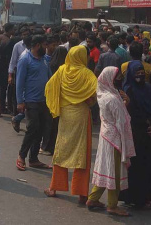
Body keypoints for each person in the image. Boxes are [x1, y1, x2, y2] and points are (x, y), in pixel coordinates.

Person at [43, 46, 97, 202]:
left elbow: (49, 88)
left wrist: (58, 103)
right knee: (82, 153)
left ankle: (54, 187)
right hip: (81, 116)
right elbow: (93, 97)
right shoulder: (87, 74)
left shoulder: (62, 70)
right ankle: (81, 193)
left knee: (62, 149)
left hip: (66, 115)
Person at [85, 66, 135, 217]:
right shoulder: (112, 98)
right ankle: (112, 205)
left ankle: (93, 199)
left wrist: (124, 103)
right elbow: (122, 119)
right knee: (115, 171)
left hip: (106, 135)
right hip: (115, 138)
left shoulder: (102, 93)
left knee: (106, 169)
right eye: (116, 77)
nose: (118, 80)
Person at [120, 55, 151, 209]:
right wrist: (147, 124)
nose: (140, 74)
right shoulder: (128, 90)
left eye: (142, 71)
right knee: (137, 166)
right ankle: (136, 197)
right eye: (136, 72)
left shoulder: (148, 88)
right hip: (136, 132)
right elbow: (132, 112)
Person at [15, 34, 52, 171]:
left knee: (41, 129)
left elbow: (49, 77)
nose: (46, 47)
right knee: (32, 128)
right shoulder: (25, 59)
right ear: (37, 45)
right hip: (31, 100)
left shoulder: (43, 59)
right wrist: (20, 101)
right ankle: (21, 156)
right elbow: (19, 82)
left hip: (43, 100)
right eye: (44, 45)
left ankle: (34, 158)